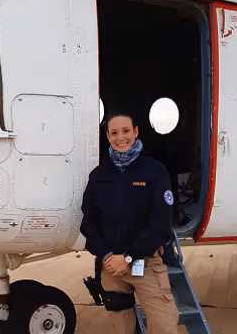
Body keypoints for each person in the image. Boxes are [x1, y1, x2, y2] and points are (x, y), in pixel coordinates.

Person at [80, 111, 179, 334]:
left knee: (164, 326)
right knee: (122, 330)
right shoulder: (99, 176)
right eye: (114, 133)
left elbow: (161, 226)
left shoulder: (154, 172)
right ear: (107, 136)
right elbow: (89, 224)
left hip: (145, 265)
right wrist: (107, 256)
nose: (120, 138)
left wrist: (127, 257)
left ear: (135, 132)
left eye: (126, 131)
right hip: (111, 269)